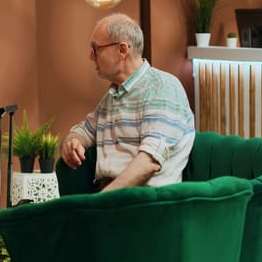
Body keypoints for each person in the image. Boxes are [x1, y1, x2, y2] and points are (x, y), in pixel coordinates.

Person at [60, 13, 195, 192]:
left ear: (122, 50)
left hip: (145, 201)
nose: (90, 56)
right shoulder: (112, 96)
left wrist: (102, 200)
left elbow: (149, 163)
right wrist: (73, 142)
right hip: (116, 198)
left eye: (96, 49)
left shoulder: (162, 88)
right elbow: (83, 131)